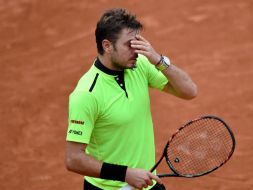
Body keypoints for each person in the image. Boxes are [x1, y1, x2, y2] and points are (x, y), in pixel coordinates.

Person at [65, 8, 197, 190]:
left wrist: (158, 60)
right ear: (107, 46)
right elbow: (74, 159)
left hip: (147, 183)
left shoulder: (140, 65)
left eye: (138, 43)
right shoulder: (87, 94)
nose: (136, 50)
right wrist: (125, 174)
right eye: (129, 45)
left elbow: (189, 91)